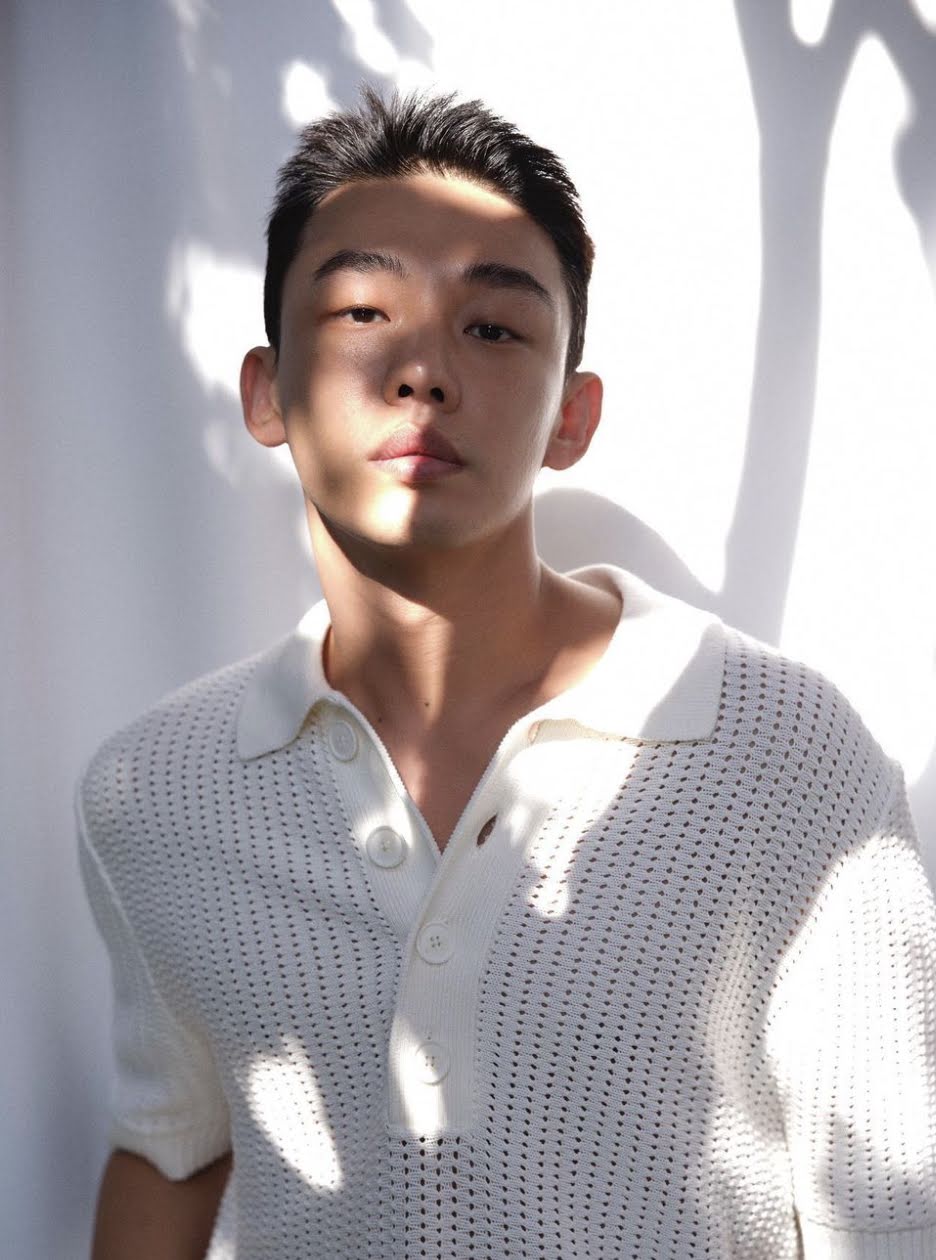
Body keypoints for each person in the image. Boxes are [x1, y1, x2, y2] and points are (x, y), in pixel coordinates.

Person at [78, 86, 936, 1259]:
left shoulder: (784, 750)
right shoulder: (155, 793)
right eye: (362, 310)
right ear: (267, 391)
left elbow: (891, 1211)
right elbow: (167, 1147)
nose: (423, 371)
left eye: (492, 328)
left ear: (572, 417)